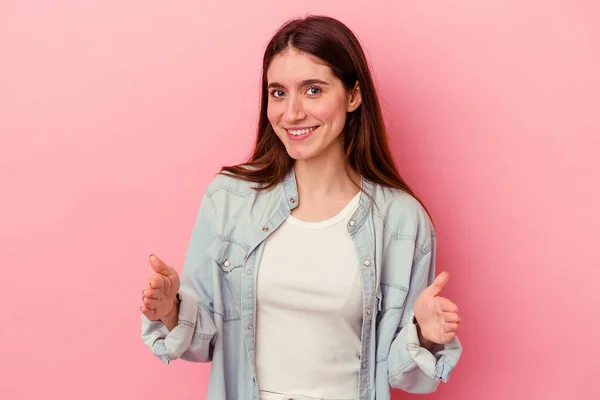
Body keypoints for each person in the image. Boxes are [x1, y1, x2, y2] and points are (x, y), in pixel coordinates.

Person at [140, 14, 463, 400]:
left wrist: (425, 335)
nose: (291, 113)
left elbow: (400, 373)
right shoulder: (229, 199)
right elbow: (204, 340)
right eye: (278, 93)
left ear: (354, 95)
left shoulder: (401, 221)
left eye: (313, 90)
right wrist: (171, 309)